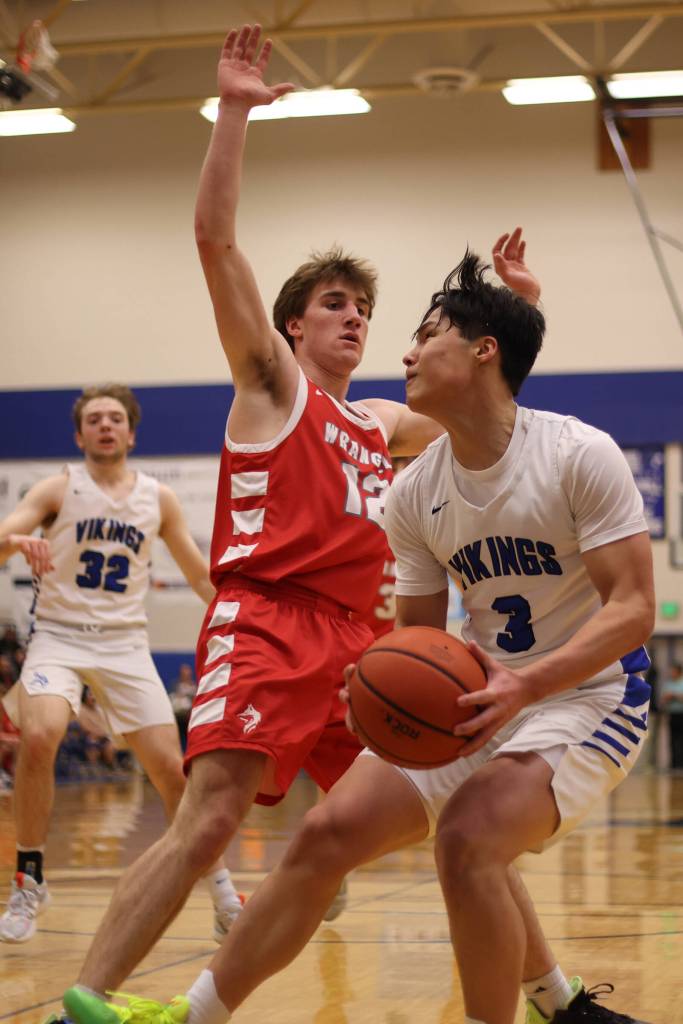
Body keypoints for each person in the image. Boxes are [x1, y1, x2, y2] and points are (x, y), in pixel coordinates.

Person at [55, 25, 647, 1024]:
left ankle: (552, 996)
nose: (356, 319)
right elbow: (214, 243)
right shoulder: (272, 385)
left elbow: (493, 393)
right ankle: (91, 1001)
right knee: (212, 822)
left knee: (460, 823)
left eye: (365, 308)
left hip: (360, 645)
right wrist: (233, 112)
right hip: (269, 617)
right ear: (290, 325)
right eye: (334, 303)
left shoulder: (381, 425)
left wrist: (519, 304)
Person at [0, 383, 242, 943]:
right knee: (39, 736)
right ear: (79, 433)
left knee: (173, 775)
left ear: (131, 433)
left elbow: (201, 575)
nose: (105, 426)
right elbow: (3, 536)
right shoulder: (57, 488)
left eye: (115, 418)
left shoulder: (158, 499)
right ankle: (29, 881)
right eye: (94, 419)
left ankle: (225, 895)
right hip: (58, 638)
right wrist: (18, 545)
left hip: (125, 645)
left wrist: (244, 619)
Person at [661, 663, 683, 770]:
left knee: (681, 740)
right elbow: (663, 700)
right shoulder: (668, 684)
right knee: (672, 740)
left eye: (673, 671)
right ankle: (673, 765)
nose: (671, 673)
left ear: (679, 672)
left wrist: (674, 695)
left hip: (681, 715)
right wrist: (666, 698)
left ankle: (681, 765)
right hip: (672, 715)